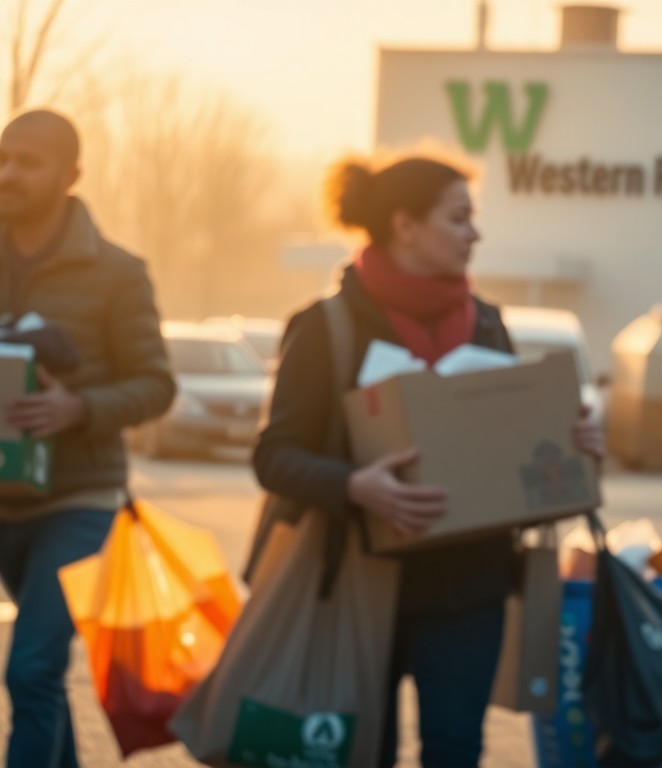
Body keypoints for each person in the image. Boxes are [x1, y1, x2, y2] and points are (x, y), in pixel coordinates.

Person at [252, 153, 604, 767]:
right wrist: (354, 485)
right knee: (365, 754)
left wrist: (571, 448)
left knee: (454, 751)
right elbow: (274, 455)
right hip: (358, 587)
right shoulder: (325, 326)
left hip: (470, 585)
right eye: (459, 218)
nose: (475, 234)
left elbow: (512, 458)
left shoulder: (489, 324)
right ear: (404, 225)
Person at [0, 109, 176, 767]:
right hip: (2, 499)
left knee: (32, 670)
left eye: (28, 162)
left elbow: (156, 386)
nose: (8, 173)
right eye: (3, 158)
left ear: (71, 175)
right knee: (40, 680)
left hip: (80, 503)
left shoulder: (117, 273)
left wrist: (78, 407)